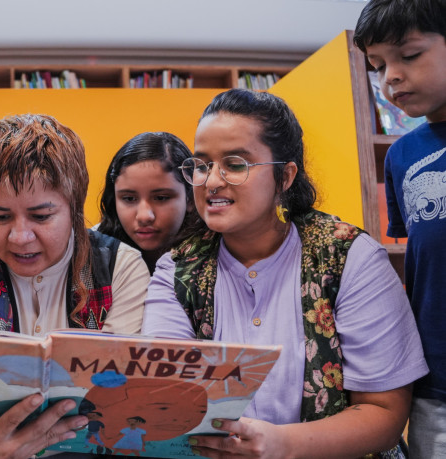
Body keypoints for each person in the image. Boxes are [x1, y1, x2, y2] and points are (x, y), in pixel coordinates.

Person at [142, 89, 428, 457]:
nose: (212, 181)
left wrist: (280, 445)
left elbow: (384, 413)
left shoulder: (348, 257)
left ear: (285, 175)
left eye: (235, 164)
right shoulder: (177, 270)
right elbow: (170, 397)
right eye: (201, 164)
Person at [0, 114, 150, 457]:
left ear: (74, 207)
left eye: (41, 217)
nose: (20, 237)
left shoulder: (121, 268)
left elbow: (118, 400)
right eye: (0, 217)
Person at [354, 1, 446, 456]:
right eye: (377, 64)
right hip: (437, 385)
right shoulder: (401, 156)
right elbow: (427, 259)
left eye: (408, 56)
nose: (389, 75)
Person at [97, 132, 201, 273]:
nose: (144, 216)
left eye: (161, 198)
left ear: (190, 198)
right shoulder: (89, 254)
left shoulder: (219, 258)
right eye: (129, 199)